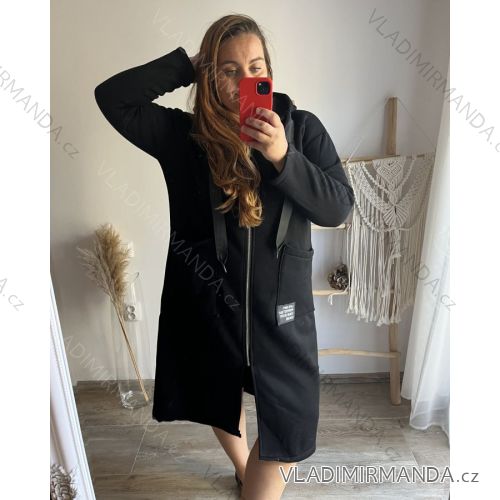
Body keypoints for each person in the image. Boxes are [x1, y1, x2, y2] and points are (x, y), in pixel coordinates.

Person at [94, 13, 354, 500]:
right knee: (218, 396)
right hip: (209, 304)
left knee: (290, 428)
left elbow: (338, 208)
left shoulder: (301, 129)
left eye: (255, 68)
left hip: (281, 314)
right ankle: (241, 471)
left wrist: (283, 157)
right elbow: (113, 97)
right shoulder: (185, 137)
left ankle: (251, 482)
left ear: (269, 71)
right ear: (209, 77)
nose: (243, 81)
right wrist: (185, 65)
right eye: (228, 70)